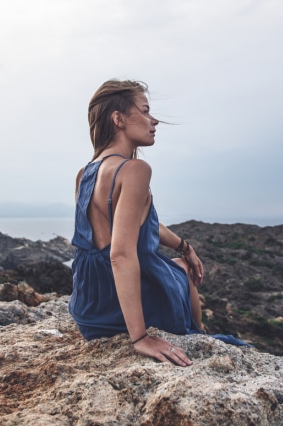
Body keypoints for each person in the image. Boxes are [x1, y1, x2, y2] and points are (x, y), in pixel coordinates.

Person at [69, 79, 245, 367]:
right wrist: (140, 338)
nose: (155, 121)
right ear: (119, 119)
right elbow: (121, 254)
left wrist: (185, 246)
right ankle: (198, 334)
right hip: (120, 314)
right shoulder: (134, 170)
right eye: (146, 111)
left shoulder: (84, 173)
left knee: (179, 261)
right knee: (182, 270)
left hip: (89, 311)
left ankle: (196, 331)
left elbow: (136, 224)